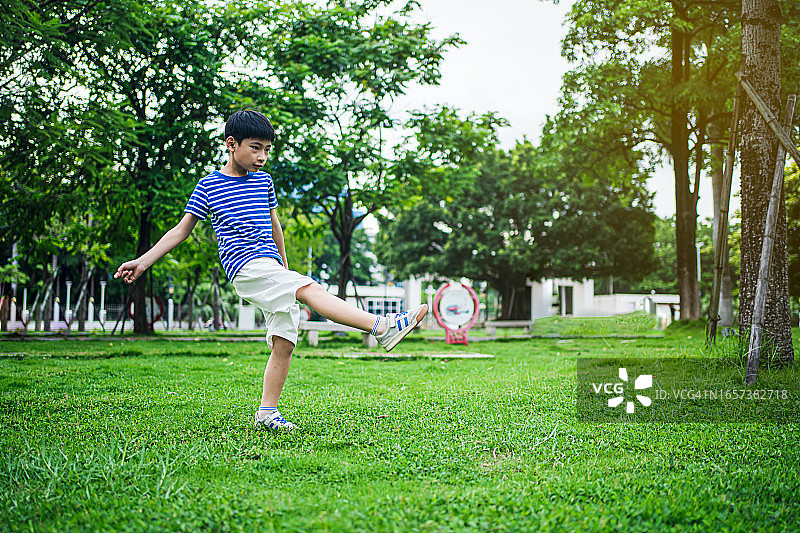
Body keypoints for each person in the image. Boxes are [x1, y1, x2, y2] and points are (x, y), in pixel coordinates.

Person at [114, 110, 427, 431]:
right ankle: (382, 327)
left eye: (267, 149)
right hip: (246, 269)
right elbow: (180, 231)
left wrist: (288, 272)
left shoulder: (263, 180)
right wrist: (143, 261)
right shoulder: (208, 185)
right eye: (255, 148)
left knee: (284, 340)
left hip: (272, 268)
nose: (262, 157)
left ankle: (267, 413)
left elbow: (275, 226)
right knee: (314, 291)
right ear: (231, 144)